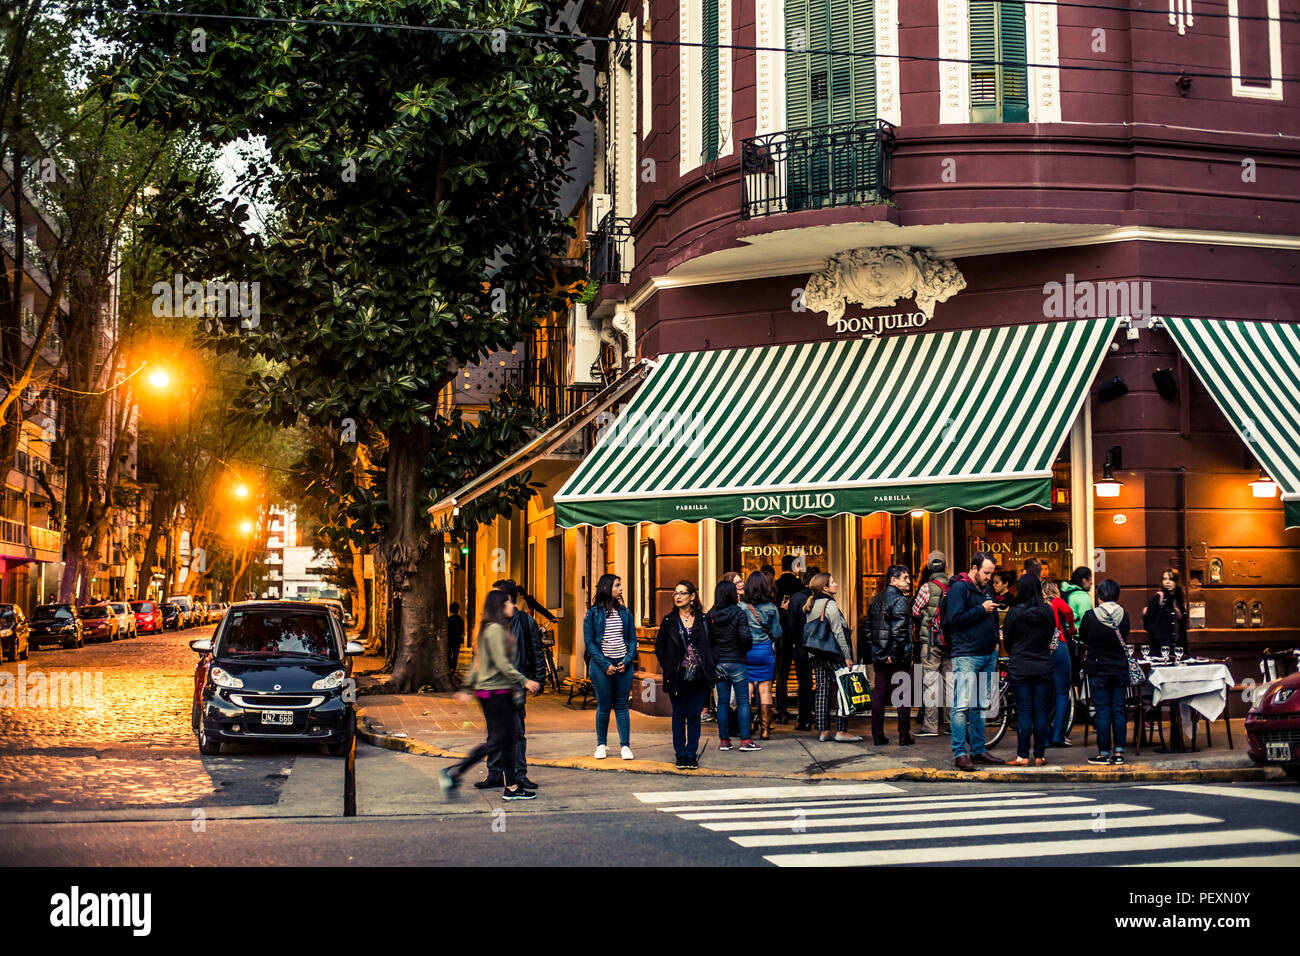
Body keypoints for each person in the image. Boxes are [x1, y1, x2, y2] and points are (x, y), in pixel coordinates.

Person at [439, 589, 542, 801]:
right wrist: (525, 680)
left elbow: (478, 664)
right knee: (498, 740)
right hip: (496, 693)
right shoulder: (495, 629)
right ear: (499, 606)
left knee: (507, 739)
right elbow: (502, 664)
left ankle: (512, 787)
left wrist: (468, 689)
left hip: (493, 691)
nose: (512, 606)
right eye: (508, 603)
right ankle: (454, 772)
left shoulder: (489, 628)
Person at [481, 582, 544, 789]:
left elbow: (536, 651)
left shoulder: (525, 621)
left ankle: (518, 774)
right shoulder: (492, 623)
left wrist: (538, 680)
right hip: (493, 687)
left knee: (516, 732)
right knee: (494, 732)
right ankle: (495, 773)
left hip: (515, 686)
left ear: (508, 599)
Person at [946, 552, 1006, 770]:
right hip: (967, 654)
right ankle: (960, 753)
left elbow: (990, 616)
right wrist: (981, 609)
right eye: (986, 573)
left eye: (991, 573)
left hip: (987, 653)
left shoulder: (985, 589)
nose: (989, 577)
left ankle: (979, 750)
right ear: (974, 568)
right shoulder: (959, 589)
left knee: (980, 706)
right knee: (961, 706)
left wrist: (995, 645)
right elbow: (953, 619)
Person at [656, 580, 714, 769]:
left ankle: (691, 754)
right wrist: (669, 666)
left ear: (692, 596)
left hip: (698, 675)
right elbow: (660, 647)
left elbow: (713, 646)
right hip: (678, 676)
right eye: (675, 593)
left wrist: (710, 665)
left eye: (682, 593)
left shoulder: (704, 621)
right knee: (679, 715)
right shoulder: (669, 621)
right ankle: (680, 754)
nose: (678, 596)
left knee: (694, 716)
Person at [1001, 575, 1056, 766]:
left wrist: (1016, 650)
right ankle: (1040, 755)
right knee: (1041, 712)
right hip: (1043, 664)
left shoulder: (1014, 612)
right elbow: (1051, 635)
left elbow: (1007, 640)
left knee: (1024, 711)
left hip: (1020, 666)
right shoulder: (1048, 612)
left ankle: (1022, 755)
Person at [582, 573, 637, 760]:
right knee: (603, 706)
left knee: (622, 706)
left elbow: (631, 639)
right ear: (606, 588)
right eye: (617, 585)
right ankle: (601, 744)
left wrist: (627, 660)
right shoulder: (593, 613)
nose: (621, 589)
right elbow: (589, 643)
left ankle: (625, 746)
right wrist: (605, 664)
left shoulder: (625, 612)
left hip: (623, 664)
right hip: (601, 665)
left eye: (620, 585)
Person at [802, 573, 860, 743]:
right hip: (832, 654)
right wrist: (847, 656)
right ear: (825, 588)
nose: (836, 584)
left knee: (822, 690)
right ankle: (841, 731)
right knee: (843, 689)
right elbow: (838, 633)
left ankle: (824, 731)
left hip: (815, 653)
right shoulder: (830, 605)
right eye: (832, 582)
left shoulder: (811, 604)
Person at [1079, 579, 1131, 765]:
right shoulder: (1124, 615)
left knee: (1102, 711)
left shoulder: (1090, 616)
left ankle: (1103, 752)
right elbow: (1125, 636)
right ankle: (1118, 752)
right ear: (1116, 595)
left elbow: (1083, 637)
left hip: (1098, 668)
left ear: (1099, 595)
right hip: (1119, 668)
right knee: (1118, 709)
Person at [708, 577, 760, 751]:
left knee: (722, 703)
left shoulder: (710, 614)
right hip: (737, 661)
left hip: (719, 663)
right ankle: (745, 740)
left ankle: (724, 740)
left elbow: (706, 640)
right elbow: (745, 637)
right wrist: (745, 648)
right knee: (743, 701)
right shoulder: (738, 613)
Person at [866, 564, 914, 746]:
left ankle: (878, 735)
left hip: (880, 655)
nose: (908, 581)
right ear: (893, 580)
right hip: (897, 657)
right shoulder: (901, 600)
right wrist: (893, 655)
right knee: (903, 695)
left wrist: (878, 652)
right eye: (905, 578)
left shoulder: (876, 599)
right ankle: (904, 735)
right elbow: (900, 631)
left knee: (879, 693)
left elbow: (869, 630)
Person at [910, 551, 950, 738]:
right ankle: (952, 723)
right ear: (945, 566)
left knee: (931, 684)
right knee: (950, 683)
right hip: (951, 642)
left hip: (931, 641)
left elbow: (915, 611)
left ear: (928, 566)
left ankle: (930, 726)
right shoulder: (954, 586)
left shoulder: (927, 587)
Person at [740, 570, 782, 740]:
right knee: (765, 689)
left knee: (747, 690)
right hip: (765, 650)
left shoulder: (741, 607)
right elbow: (777, 633)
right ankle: (765, 729)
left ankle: (748, 726)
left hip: (746, 651)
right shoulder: (772, 608)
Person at [1041, 579, 1076, 748]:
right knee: (1062, 693)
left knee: (1044, 695)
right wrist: (1071, 629)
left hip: (1042, 650)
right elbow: (1069, 612)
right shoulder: (1056, 601)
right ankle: (1059, 735)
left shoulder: (1038, 605)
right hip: (1059, 647)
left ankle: (1045, 738)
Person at [783, 567, 819, 730]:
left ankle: (804, 719)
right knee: (821, 682)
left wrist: (791, 641)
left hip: (801, 646)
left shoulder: (796, 598)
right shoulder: (823, 598)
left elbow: (790, 625)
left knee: (803, 683)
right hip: (820, 646)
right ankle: (820, 717)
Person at [772, 555, 804, 724]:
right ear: (794, 566)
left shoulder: (776, 585)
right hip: (798, 635)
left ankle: (782, 711)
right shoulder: (800, 585)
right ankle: (803, 711)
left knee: (781, 675)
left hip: (781, 635)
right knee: (802, 676)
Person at [1142, 568, 1188, 656]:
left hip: (1177, 649)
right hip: (1161, 648)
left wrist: (1184, 650)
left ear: (1176, 581)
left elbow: (1182, 628)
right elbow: (1148, 622)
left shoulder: (1179, 600)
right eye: (1164, 579)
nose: (1167, 582)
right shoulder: (1159, 598)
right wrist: (1161, 638)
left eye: (1170, 579)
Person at [447, 601, 466, 673]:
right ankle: (453, 668)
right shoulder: (460, 620)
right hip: (457, 640)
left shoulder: (448, 620)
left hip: (449, 640)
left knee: (448, 654)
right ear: (458, 609)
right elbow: (461, 630)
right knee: (455, 655)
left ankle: (449, 667)